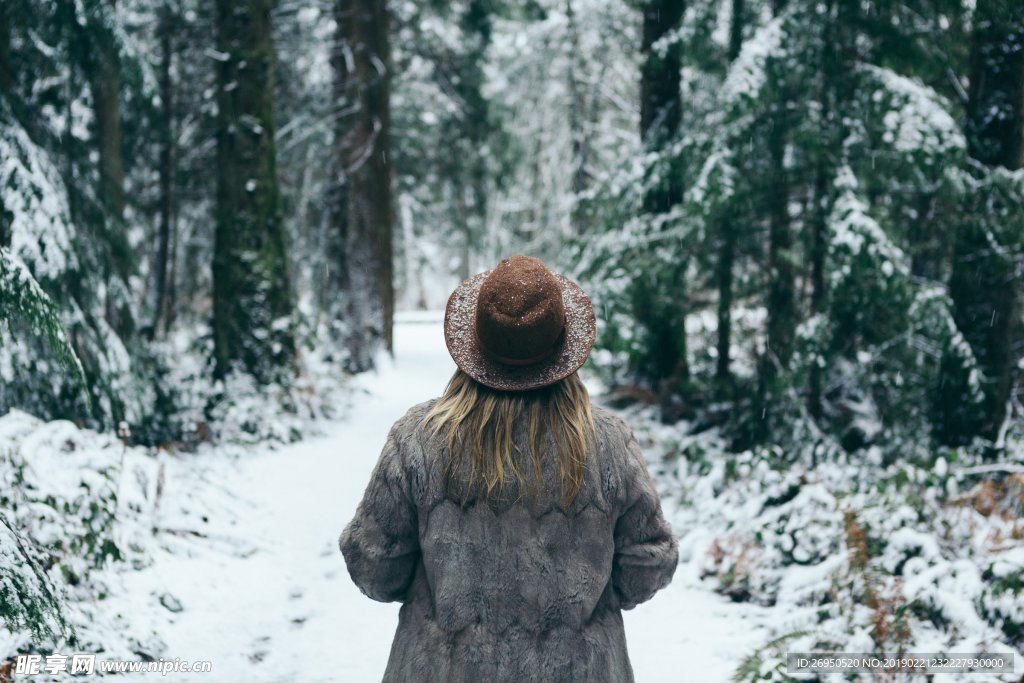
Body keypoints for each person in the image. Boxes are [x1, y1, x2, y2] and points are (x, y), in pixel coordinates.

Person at [340, 255, 678, 682]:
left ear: (475, 348)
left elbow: (376, 565)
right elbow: (646, 566)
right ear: (563, 348)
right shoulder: (609, 442)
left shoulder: (417, 439)